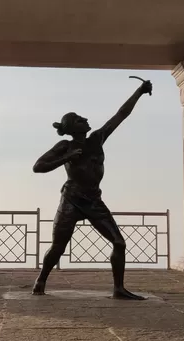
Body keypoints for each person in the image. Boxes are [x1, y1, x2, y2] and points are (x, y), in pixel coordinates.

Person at [31, 78, 153, 300]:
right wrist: (66, 157)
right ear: (71, 128)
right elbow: (38, 167)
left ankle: (118, 288)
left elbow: (120, 115)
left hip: (94, 201)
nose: (85, 119)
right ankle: (41, 279)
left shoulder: (97, 139)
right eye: (79, 119)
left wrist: (140, 91)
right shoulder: (65, 146)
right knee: (58, 247)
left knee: (119, 242)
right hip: (71, 200)